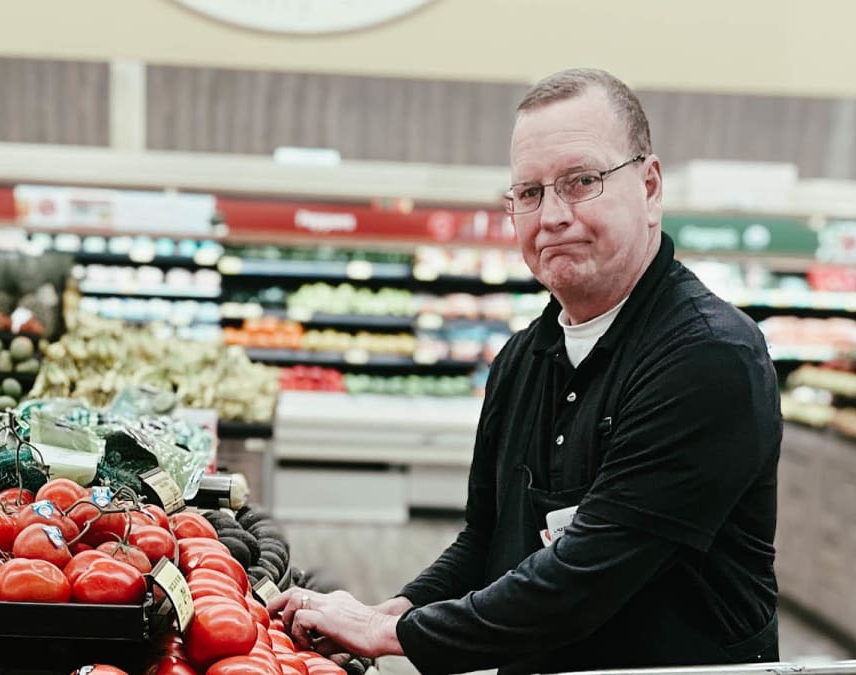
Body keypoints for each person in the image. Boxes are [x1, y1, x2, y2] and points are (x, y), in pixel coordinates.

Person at [269, 67, 782, 675]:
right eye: (530, 193)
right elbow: (485, 541)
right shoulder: (521, 359)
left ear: (649, 187)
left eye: (581, 181)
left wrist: (392, 634)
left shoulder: (708, 356)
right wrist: (386, 613)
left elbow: (586, 576)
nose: (553, 215)